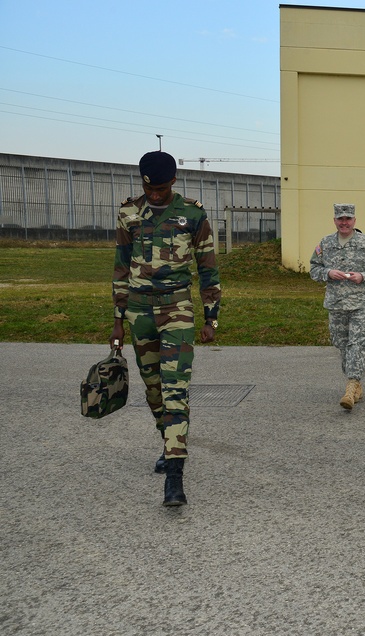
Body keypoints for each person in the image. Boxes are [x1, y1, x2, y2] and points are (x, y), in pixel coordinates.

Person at [110, 151, 221, 507]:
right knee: (154, 390)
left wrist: (211, 316)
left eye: (160, 188)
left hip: (177, 309)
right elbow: (120, 267)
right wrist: (117, 319)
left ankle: (175, 476)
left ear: (173, 182)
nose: (155, 194)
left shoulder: (192, 213)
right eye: (149, 188)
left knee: (175, 390)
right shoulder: (128, 213)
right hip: (139, 312)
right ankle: (167, 441)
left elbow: (207, 268)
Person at [309, 203, 365, 410]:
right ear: (334, 220)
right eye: (340, 219)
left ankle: (351, 386)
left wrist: (363, 276)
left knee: (358, 344)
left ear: (354, 220)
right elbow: (314, 269)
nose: (344, 222)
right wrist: (327, 273)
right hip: (336, 304)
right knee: (342, 344)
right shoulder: (325, 244)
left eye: (348, 219)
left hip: (361, 304)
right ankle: (356, 384)